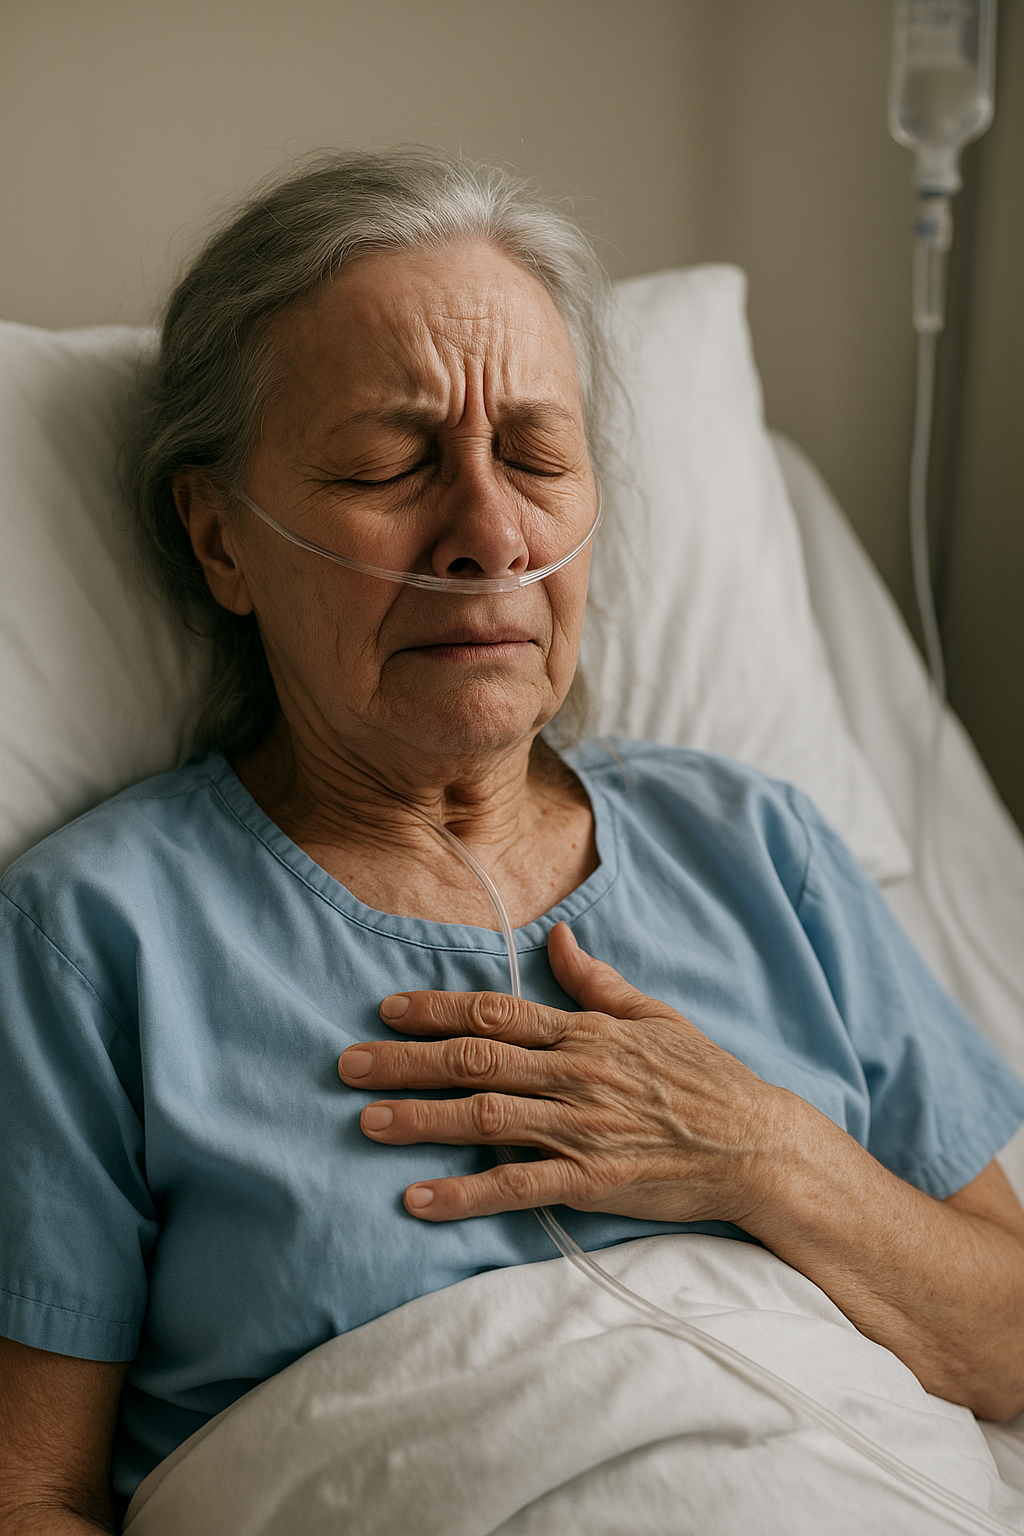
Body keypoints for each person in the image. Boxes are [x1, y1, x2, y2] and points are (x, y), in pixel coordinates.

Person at [2, 149, 1024, 1536]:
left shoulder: (758, 845)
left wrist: (763, 1153)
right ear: (221, 540)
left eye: (538, 455)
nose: (491, 533)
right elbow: (32, 1494)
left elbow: (1010, 1338)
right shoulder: (96, 940)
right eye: (392, 461)